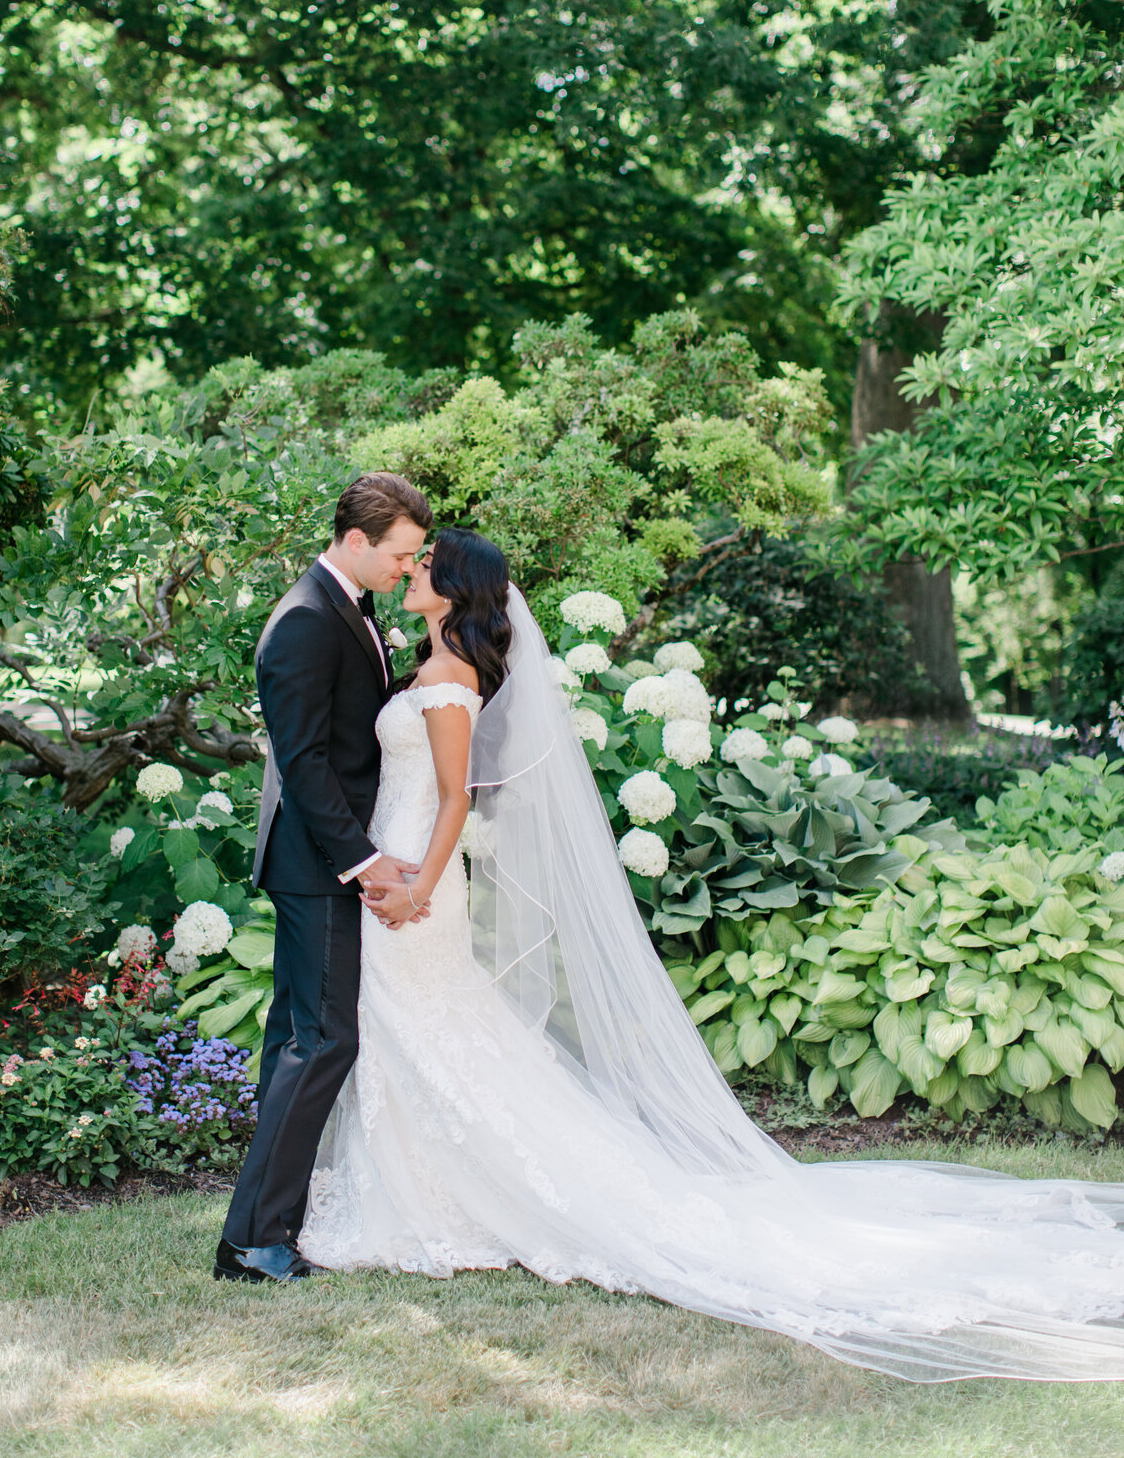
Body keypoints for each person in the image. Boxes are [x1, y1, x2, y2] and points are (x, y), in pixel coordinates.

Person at [295, 524, 1124, 1382]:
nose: (412, 569)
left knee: (425, 1024)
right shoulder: (426, 667)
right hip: (391, 869)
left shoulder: (448, 684)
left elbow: (456, 802)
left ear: (458, 589)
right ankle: (427, 1189)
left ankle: (447, 1198)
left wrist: (422, 886)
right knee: (421, 1028)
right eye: (410, 558)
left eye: (426, 565)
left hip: (415, 884)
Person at [215, 472, 432, 1284]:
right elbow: (303, 761)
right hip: (318, 864)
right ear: (355, 540)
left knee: (295, 1043)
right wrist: (366, 859)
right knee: (323, 1040)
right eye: (400, 557)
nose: (408, 571)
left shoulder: (351, 608)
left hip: (324, 858)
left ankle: (261, 1229)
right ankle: (254, 1242)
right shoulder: (305, 621)